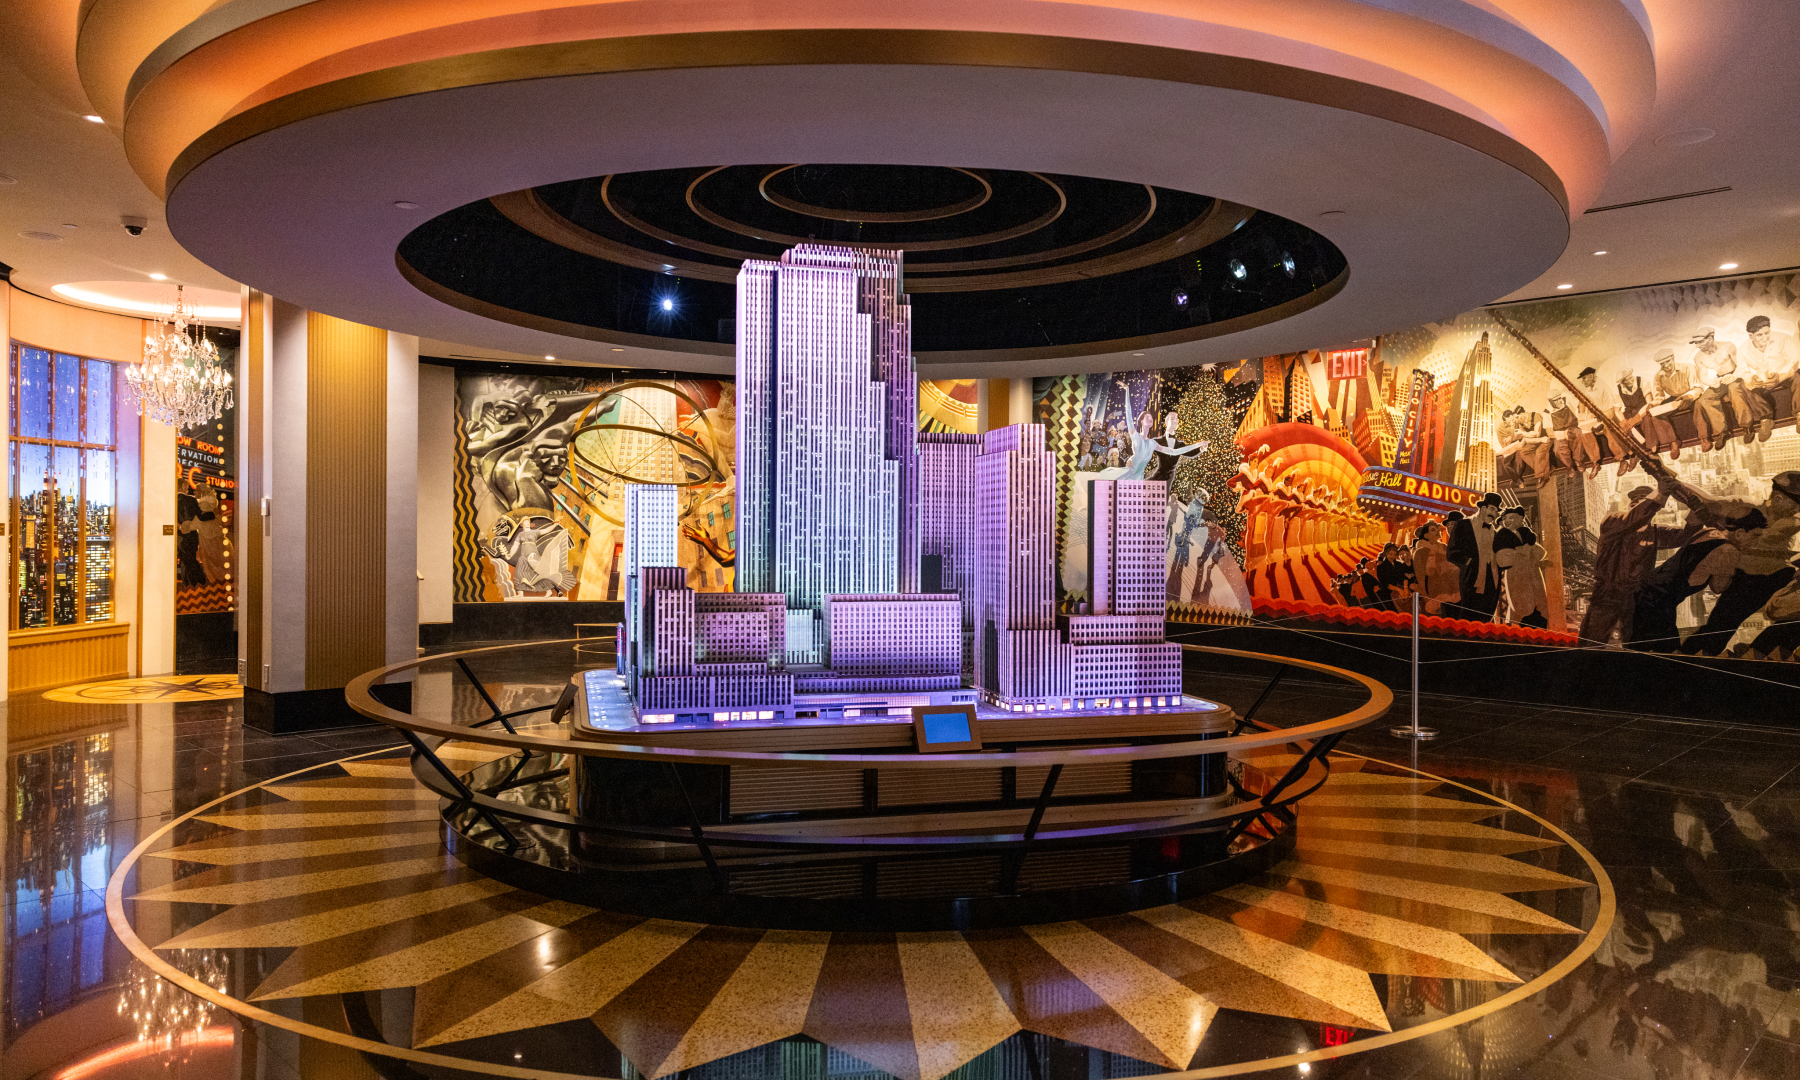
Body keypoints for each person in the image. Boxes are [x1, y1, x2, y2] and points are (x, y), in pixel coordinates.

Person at [1663, 470, 1800, 655]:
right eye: (1795, 506)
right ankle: (1689, 659)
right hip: (1747, 580)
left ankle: (1763, 652)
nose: (1796, 511)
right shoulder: (1746, 509)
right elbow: (1707, 502)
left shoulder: (1789, 521)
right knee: (1722, 626)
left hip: (1779, 576)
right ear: (1778, 498)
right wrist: (1671, 482)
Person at [1627, 507, 1768, 652]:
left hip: (1648, 591)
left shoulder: (1710, 532)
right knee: (1667, 653)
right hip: (1658, 601)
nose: (1755, 542)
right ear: (1739, 533)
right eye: (1755, 536)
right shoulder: (1729, 551)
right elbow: (1718, 587)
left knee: (1641, 646)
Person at [1578, 483, 1690, 645]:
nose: (1637, 506)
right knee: (1590, 643)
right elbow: (1635, 518)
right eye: (1635, 503)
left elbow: (1684, 536)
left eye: (1641, 502)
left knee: (1634, 644)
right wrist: (1660, 495)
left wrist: (1696, 511)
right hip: (1608, 594)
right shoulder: (1612, 521)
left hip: (1634, 599)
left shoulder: (1654, 533)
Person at [1689, 325, 1754, 450]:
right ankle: (1721, 432)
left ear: (1711, 337)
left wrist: (1734, 376)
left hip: (1736, 374)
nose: (1699, 346)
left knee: (1734, 391)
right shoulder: (1698, 357)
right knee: (1704, 400)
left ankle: (1747, 426)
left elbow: (1742, 365)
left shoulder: (1728, 346)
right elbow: (1702, 376)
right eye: (1696, 343)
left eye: (1701, 341)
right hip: (1720, 379)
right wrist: (1711, 382)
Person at [1445, 493, 1505, 622]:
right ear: (1483, 509)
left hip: (1492, 583)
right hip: (1471, 580)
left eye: (1496, 511)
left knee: (1486, 619)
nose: (1494, 514)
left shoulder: (1495, 533)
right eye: (1492, 509)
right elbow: (1452, 553)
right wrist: (1470, 562)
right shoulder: (1463, 525)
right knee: (1467, 620)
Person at [1741, 315, 1800, 442]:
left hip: (1784, 376)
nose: (1765, 337)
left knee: (1798, 376)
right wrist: (1752, 379)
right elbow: (1743, 371)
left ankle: (1799, 414)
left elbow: (1794, 360)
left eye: (1767, 333)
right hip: (1762, 382)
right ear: (1751, 336)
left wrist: (1781, 375)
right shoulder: (1743, 349)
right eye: (1759, 335)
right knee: (1743, 385)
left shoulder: (1783, 338)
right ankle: (1766, 419)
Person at [1492, 506, 1550, 628]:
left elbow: (1539, 552)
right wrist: (1524, 552)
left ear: (1519, 520)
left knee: (1537, 604)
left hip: (1533, 575)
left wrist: (1533, 558)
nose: (1507, 521)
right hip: (1515, 575)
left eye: (1511, 518)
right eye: (1505, 518)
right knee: (1520, 606)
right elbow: (1502, 558)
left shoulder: (1525, 534)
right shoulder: (1502, 535)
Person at [1616, 366, 1679, 463]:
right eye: (1627, 379)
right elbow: (1617, 410)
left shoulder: (1642, 381)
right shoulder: (1617, 389)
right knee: (1624, 428)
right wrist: (1622, 421)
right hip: (1630, 412)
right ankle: (1633, 455)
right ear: (1622, 382)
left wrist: (1637, 418)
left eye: (1630, 377)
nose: (1630, 380)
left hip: (1644, 408)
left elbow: (1649, 403)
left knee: (1647, 419)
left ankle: (1653, 449)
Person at [1651, 346, 1703, 453]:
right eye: (1662, 364)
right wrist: (1653, 405)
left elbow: (1697, 388)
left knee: (1699, 406)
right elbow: (1659, 396)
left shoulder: (1688, 368)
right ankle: (1673, 442)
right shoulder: (1658, 376)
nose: (1665, 365)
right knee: (1655, 413)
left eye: (1668, 361)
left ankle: (1704, 438)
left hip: (1691, 395)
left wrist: (1687, 397)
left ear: (1673, 358)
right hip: (1674, 399)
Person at [1547, 391, 1602, 478]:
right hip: (1559, 434)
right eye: (1555, 400)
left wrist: (1581, 416)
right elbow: (1549, 433)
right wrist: (1564, 435)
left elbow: (1581, 401)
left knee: (1580, 435)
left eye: (1559, 398)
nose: (1559, 401)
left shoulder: (1567, 401)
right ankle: (1569, 466)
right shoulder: (1547, 412)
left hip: (1573, 427)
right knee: (1558, 449)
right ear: (1551, 402)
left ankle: (1579, 461)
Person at [1410, 521, 1459, 614]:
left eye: (1437, 529)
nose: (1437, 531)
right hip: (1432, 589)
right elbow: (1422, 575)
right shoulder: (1420, 552)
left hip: (1450, 588)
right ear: (1426, 535)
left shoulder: (1444, 548)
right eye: (1433, 530)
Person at [1496, 406, 1551, 488]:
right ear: (1504, 421)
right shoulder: (1500, 428)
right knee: (1506, 463)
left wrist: (1519, 440)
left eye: (1513, 419)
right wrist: (1512, 437)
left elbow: (1524, 435)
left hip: (1521, 443)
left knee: (1520, 461)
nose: (1512, 422)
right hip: (1509, 447)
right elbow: (1503, 444)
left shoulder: (1518, 420)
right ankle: (1517, 479)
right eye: (1509, 421)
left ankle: (1541, 473)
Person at [1375, 543, 1409, 611]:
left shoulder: (1399, 564)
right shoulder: (1381, 567)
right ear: (1386, 554)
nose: (1392, 557)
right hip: (1390, 592)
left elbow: (1404, 577)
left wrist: (1405, 588)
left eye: (1395, 555)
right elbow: (1385, 584)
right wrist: (1399, 590)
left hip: (1402, 587)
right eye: (1390, 554)